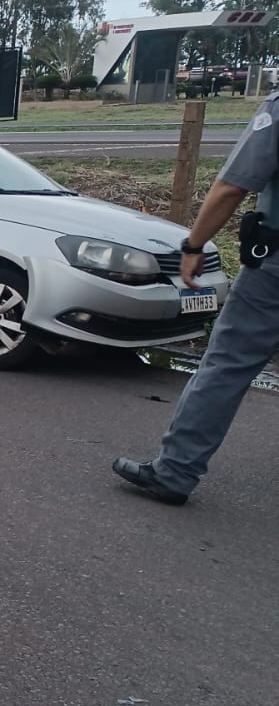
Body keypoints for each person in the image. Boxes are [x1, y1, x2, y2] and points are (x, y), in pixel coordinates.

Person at [113, 90, 279, 505]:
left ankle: (175, 471)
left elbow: (231, 187)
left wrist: (194, 246)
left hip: (273, 275)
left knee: (227, 365)